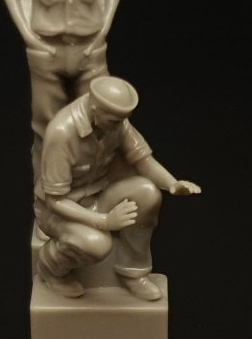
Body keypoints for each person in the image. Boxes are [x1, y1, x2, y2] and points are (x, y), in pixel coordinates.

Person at [1, 0, 124, 187]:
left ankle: (94, 194)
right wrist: (29, 37)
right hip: (47, 51)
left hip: (90, 50)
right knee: (47, 129)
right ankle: (49, 200)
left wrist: (103, 29)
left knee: (103, 123)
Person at [35, 76, 201, 300]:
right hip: (60, 212)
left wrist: (172, 183)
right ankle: (50, 267)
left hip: (98, 196)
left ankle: (132, 272)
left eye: (123, 120)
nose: (120, 125)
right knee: (97, 244)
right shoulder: (62, 133)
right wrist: (103, 222)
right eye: (114, 121)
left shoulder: (115, 121)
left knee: (148, 193)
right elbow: (55, 201)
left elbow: (142, 159)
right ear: (95, 109)